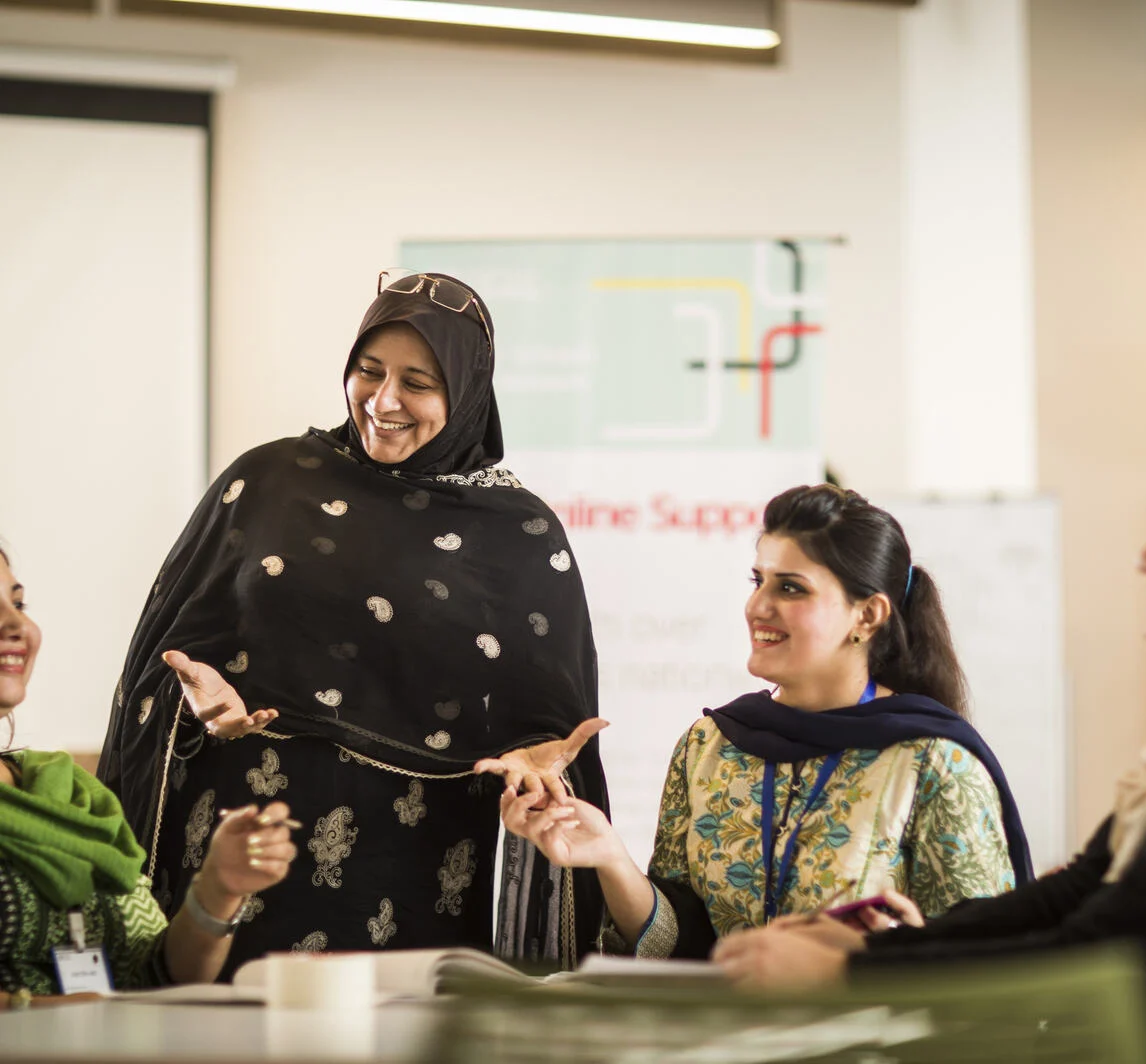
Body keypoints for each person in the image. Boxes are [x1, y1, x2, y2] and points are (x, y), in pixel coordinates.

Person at [97, 271, 608, 975]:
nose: (384, 400)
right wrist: (195, 706)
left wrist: (531, 765)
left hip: (412, 876)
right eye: (368, 372)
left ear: (466, 394)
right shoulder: (269, 482)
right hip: (243, 849)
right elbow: (166, 659)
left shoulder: (518, 536)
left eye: (418, 383)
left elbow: (551, 730)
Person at [714, 459, 1146, 1062]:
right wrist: (862, 953)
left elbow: (1103, 948)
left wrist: (852, 972)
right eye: (757, 579)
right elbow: (1071, 897)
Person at [496, 485, 1031, 959]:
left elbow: (984, 964)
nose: (758, 605)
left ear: (867, 615)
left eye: (791, 588)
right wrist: (611, 857)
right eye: (758, 580)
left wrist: (875, 959)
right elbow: (682, 944)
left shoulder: (935, 762)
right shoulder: (709, 746)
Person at [0, 546, 295, 1005]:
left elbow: (153, 973)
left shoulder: (64, 789)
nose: (16, 625)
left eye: (17, 604)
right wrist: (41, 1012)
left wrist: (219, 887)